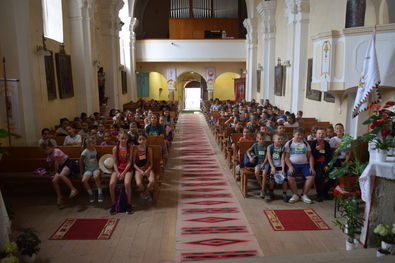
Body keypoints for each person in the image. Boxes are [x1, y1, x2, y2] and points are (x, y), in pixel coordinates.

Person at [40, 140, 79, 207]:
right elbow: (51, 163)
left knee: (61, 175)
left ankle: (73, 189)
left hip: (67, 164)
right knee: (54, 181)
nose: (44, 152)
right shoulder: (49, 154)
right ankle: (59, 197)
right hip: (61, 168)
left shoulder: (56, 151)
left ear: (47, 148)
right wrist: (55, 174)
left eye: (44, 151)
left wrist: (55, 173)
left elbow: (56, 163)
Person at [284, 127, 316, 204]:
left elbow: (310, 156)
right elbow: (286, 157)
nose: (300, 137)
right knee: (290, 177)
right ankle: (295, 194)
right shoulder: (289, 143)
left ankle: (304, 194)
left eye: (302, 135)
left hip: (304, 164)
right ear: (293, 134)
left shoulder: (305, 143)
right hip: (293, 164)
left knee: (311, 176)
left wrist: (312, 167)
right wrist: (290, 167)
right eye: (298, 135)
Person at [109, 131, 134, 214]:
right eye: (122, 138)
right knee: (112, 183)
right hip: (118, 169)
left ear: (128, 139)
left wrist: (123, 173)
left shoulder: (130, 147)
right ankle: (113, 204)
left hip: (127, 169)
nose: (123, 140)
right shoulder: (115, 148)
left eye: (125, 138)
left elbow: (129, 162)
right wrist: (118, 172)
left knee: (127, 183)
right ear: (118, 138)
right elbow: (115, 162)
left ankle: (129, 204)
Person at [310, 128, 335, 202]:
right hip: (316, 163)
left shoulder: (327, 144)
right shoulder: (313, 144)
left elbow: (330, 156)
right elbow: (310, 156)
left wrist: (327, 165)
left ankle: (325, 192)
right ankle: (319, 194)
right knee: (318, 176)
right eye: (319, 133)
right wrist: (316, 150)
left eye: (323, 133)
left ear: (325, 135)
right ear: (316, 135)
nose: (321, 135)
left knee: (334, 175)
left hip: (325, 164)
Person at [264, 134, 289, 202]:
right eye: (278, 139)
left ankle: (284, 193)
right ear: (274, 140)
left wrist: (283, 169)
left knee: (285, 179)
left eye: (281, 139)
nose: (280, 140)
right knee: (271, 178)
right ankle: (271, 191)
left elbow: (283, 159)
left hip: (280, 166)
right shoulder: (270, 147)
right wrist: (272, 167)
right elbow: (269, 158)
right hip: (273, 165)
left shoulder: (282, 148)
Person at [133, 133, 155, 204]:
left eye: (143, 139)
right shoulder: (136, 149)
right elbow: (133, 163)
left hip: (148, 168)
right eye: (140, 139)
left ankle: (144, 195)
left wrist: (148, 170)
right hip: (139, 169)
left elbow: (151, 163)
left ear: (146, 140)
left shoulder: (149, 149)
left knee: (152, 181)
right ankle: (147, 192)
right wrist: (141, 171)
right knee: (139, 183)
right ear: (137, 140)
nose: (142, 141)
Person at [80, 136, 103, 203]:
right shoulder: (85, 152)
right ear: (88, 144)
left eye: (95, 143)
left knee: (96, 177)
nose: (94, 144)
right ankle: (91, 193)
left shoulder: (94, 149)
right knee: (84, 180)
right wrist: (81, 170)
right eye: (92, 143)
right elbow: (80, 160)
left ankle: (100, 193)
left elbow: (97, 158)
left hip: (95, 168)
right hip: (88, 169)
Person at [245, 131, 269, 197]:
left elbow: (267, 157)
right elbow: (247, 151)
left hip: (265, 163)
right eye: (260, 139)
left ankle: (263, 190)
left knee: (264, 174)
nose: (262, 140)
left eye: (263, 139)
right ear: (257, 139)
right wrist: (250, 158)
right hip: (258, 163)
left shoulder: (266, 146)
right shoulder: (255, 145)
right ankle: (263, 187)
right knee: (256, 173)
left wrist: (264, 164)